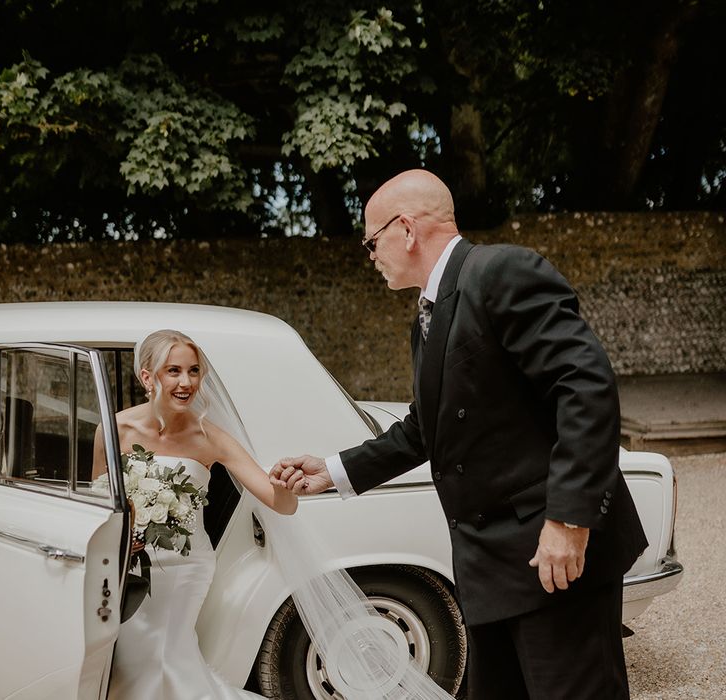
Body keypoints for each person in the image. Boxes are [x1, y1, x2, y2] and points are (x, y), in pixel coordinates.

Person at [271, 169, 649, 699]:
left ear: (406, 229)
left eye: (371, 240)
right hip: (488, 568)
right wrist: (331, 472)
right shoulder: (426, 314)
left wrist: (568, 519)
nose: (370, 254)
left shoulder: (501, 272)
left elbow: (584, 387)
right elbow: (427, 430)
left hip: (552, 559)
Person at [93, 329, 303, 700]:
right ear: (147, 377)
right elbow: (97, 502)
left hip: (184, 570)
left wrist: (289, 482)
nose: (186, 382)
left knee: (163, 657)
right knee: (124, 661)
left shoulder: (211, 438)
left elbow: (282, 503)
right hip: (124, 567)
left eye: (193, 371)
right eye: (173, 371)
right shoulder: (113, 430)